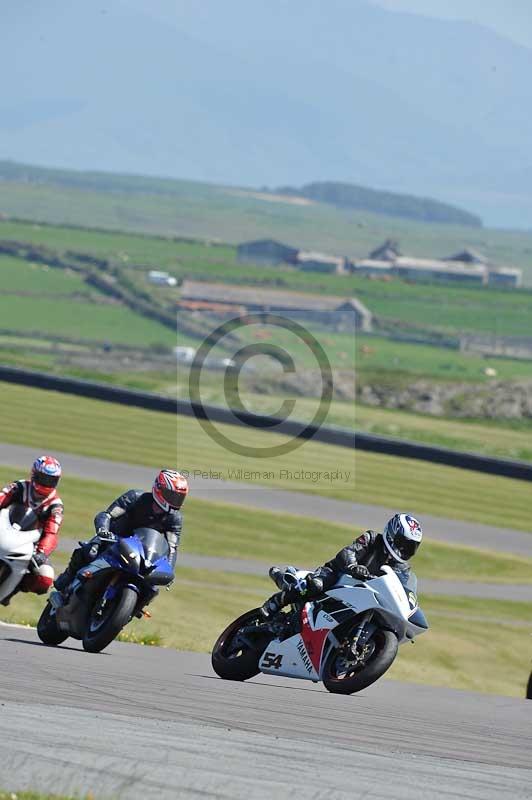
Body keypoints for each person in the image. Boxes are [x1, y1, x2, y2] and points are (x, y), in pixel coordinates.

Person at [54, 469, 189, 596]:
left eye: (179, 498)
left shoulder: (174, 518)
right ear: (159, 489)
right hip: (114, 541)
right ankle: (68, 578)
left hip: (143, 556)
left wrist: (169, 570)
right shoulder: (135, 497)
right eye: (172, 496)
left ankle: (130, 608)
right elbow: (106, 515)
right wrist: (103, 531)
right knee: (90, 551)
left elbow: (172, 547)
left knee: (151, 589)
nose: (175, 501)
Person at [261, 513, 423, 617]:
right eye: (403, 543)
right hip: (338, 574)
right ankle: (276, 602)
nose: (404, 549)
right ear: (392, 534)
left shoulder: (403, 568)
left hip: (365, 593)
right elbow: (347, 552)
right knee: (316, 585)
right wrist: (353, 567)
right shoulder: (372, 538)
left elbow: (400, 588)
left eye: (410, 547)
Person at [0, 456, 63, 605]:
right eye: (42, 478)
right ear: (34, 474)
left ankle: (14, 587)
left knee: (45, 578)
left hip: (31, 545)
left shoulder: (56, 505)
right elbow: (2, 498)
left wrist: (42, 553)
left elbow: (51, 533)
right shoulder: (20, 487)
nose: (46, 483)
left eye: (50, 480)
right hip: (6, 529)